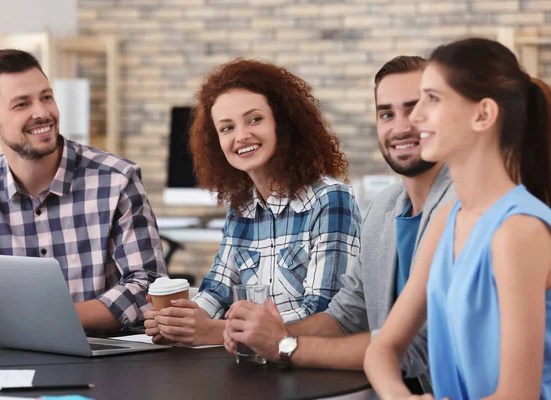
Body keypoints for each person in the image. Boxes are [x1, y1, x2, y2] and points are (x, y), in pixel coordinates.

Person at [223, 56, 455, 392]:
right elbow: (346, 317)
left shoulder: (464, 209)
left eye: (415, 109)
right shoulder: (383, 211)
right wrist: (266, 333)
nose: (402, 126)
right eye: (387, 114)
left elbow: (416, 348)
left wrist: (287, 345)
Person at [364, 38, 551, 400]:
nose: (416, 118)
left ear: (482, 114)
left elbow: (518, 395)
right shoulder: (449, 219)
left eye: (432, 99)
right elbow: (383, 348)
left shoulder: (519, 231)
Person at [143, 58, 362, 345]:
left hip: (310, 367)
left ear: (283, 124)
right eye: (227, 128)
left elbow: (327, 316)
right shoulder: (241, 208)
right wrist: (181, 320)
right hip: (253, 362)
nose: (242, 136)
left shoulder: (330, 200)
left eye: (255, 119)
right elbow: (218, 290)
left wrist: (217, 331)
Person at [0, 49, 167, 333]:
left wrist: (50, 319)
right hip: (16, 358)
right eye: (21, 104)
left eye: (46, 97)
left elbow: (149, 286)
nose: (42, 113)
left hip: (109, 360)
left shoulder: (116, 180)